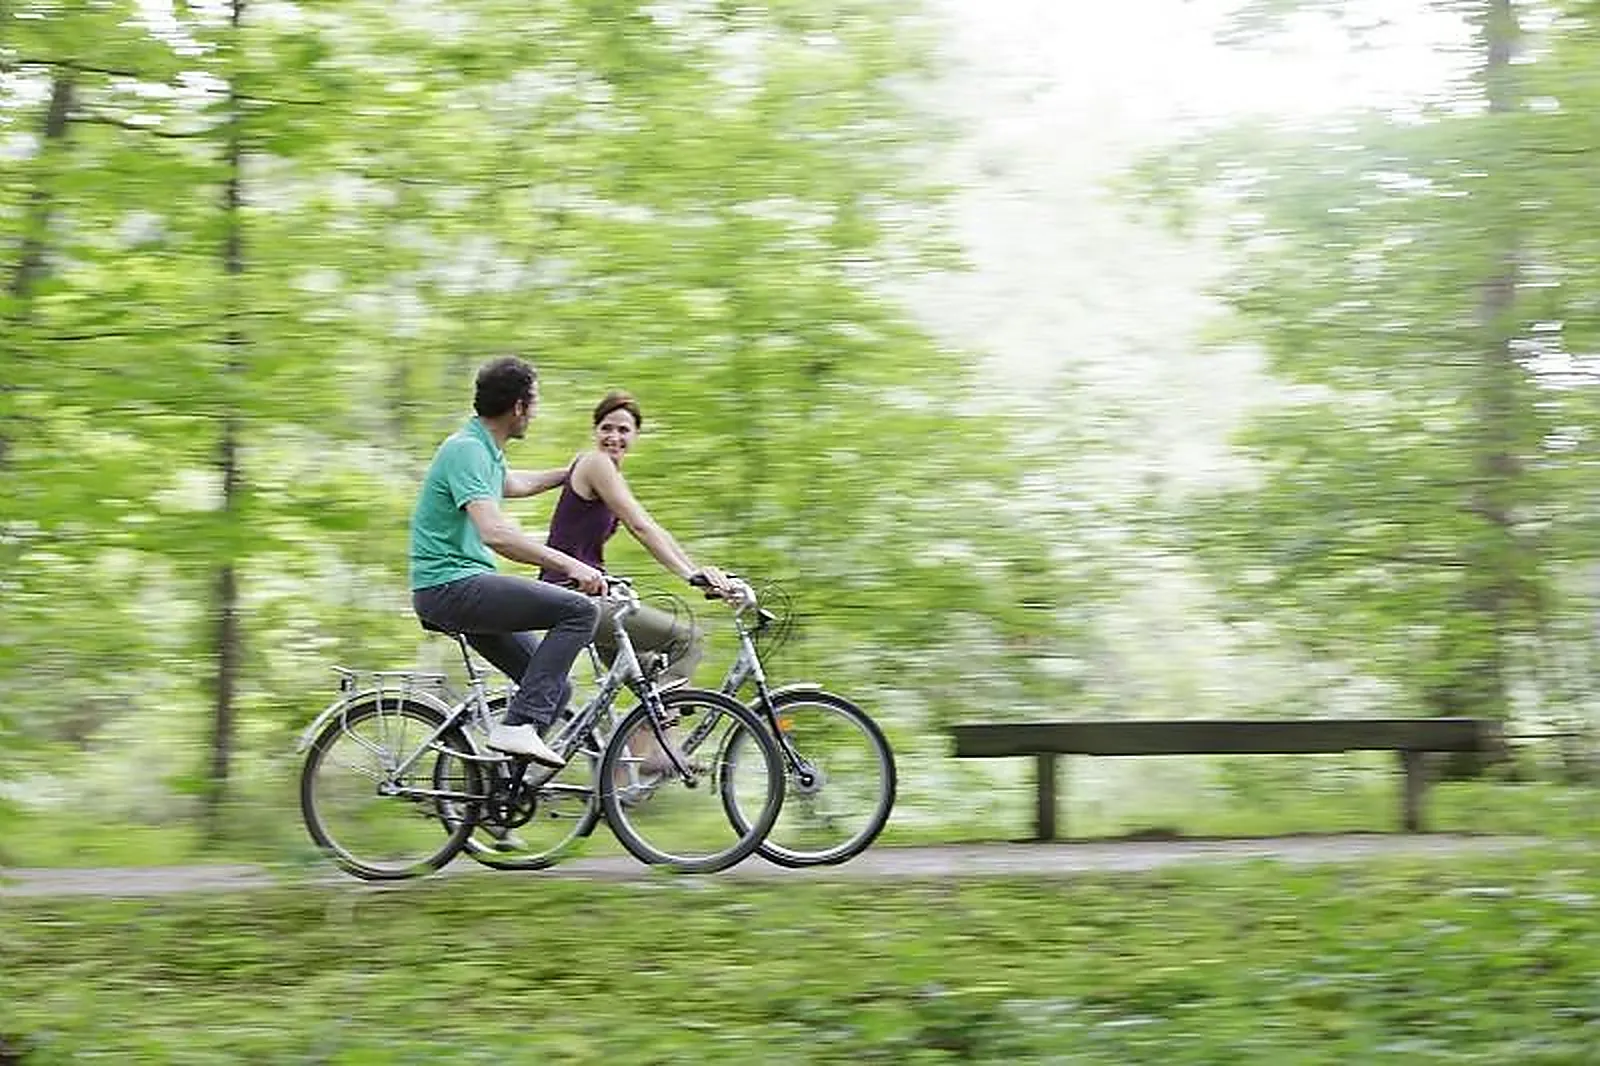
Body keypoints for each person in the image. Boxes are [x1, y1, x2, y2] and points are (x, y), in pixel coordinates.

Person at [409, 355, 605, 768]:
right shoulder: (466, 450)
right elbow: (495, 534)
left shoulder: (484, 449)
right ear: (518, 406)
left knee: (555, 690)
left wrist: (571, 472)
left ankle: (504, 794)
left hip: (461, 587)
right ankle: (516, 728)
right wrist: (572, 565)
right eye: (533, 404)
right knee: (578, 611)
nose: (534, 413)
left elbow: (516, 483)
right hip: (450, 587)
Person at [537, 389, 736, 687]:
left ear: (636, 436)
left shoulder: (612, 477)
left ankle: (639, 732)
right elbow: (640, 527)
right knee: (686, 638)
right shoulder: (596, 463)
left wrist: (697, 571)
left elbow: (653, 527)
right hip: (574, 596)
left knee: (649, 682)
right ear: (595, 431)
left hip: (590, 595)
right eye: (606, 428)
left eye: (623, 430)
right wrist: (690, 575)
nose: (613, 437)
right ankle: (657, 733)